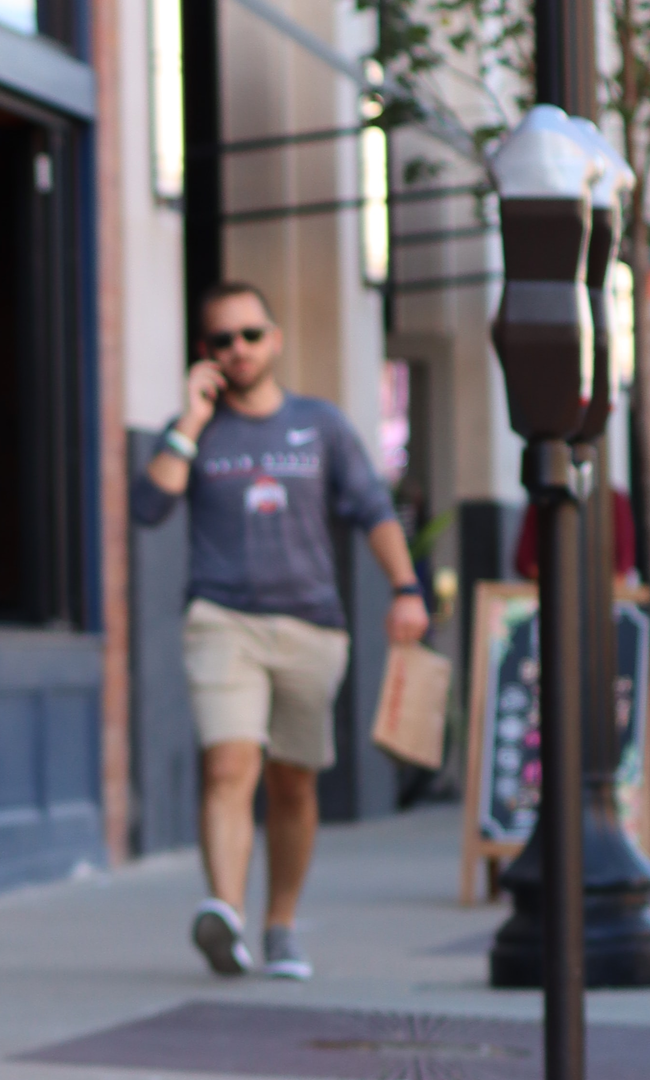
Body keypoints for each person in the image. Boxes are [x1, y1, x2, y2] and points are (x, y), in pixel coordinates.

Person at [131, 283, 429, 979]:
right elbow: (149, 506)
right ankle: (226, 914)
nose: (238, 350)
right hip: (221, 618)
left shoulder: (319, 424)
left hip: (310, 624)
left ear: (275, 338)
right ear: (206, 353)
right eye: (222, 341)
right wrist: (188, 420)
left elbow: (373, 508)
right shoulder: (199, 431)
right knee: (229, 763)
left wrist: (407, 588)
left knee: (293, 783)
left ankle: (281, 925)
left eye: (250, 335)